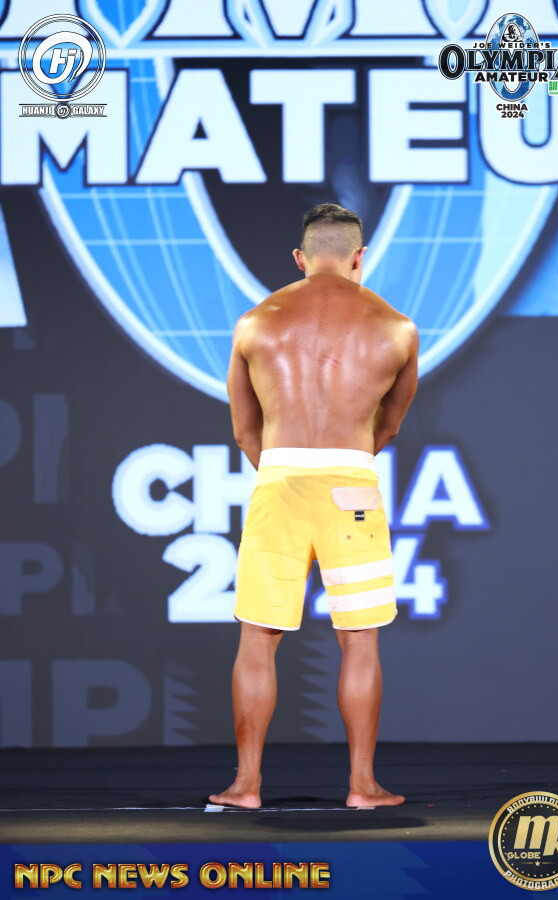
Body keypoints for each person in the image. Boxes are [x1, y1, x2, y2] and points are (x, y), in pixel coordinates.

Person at [209, 203, 418, 810]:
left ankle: (246, 785)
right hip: (352, 485)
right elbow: (390, 425)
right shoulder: (397, 327)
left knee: (257, 638)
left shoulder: (255, 322)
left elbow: (244, 431)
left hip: (279, 481)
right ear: (360, 257)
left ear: (300, 258)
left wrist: (287, 470)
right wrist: (343, 463)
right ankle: (362, 786)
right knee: (359, 640)